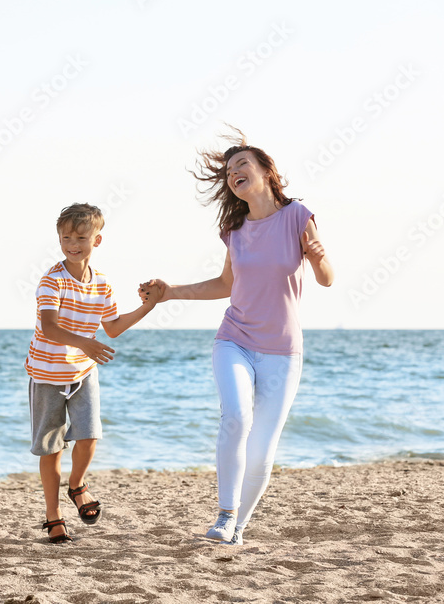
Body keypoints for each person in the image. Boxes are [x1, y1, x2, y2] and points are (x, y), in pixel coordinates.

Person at [140, 128, 334, 546]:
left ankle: (238, 527)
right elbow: (226, 283)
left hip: (283, 350)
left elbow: (327, 279)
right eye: (228, 171)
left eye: (241, 164)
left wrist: (320, 259)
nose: (233, 174)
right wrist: (170, 292)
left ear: (266, 170)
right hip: (235, 338)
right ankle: (225, 513)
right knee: (236, 418)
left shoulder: (298, 215)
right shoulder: (235, 229)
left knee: (263, 449)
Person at [25, 203, 163, 543]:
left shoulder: (101, 284)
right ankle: (53, 516)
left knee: (89, 436)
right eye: (66, 237)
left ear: (96, 240)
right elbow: (50, 327)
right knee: (51, 448)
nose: (73, 243)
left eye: (81, 237)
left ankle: (76, 485)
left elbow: (113, 328)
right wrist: (86, 344)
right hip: (47, 374)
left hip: (83, 372)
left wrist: (148, 306)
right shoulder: (51, 280)